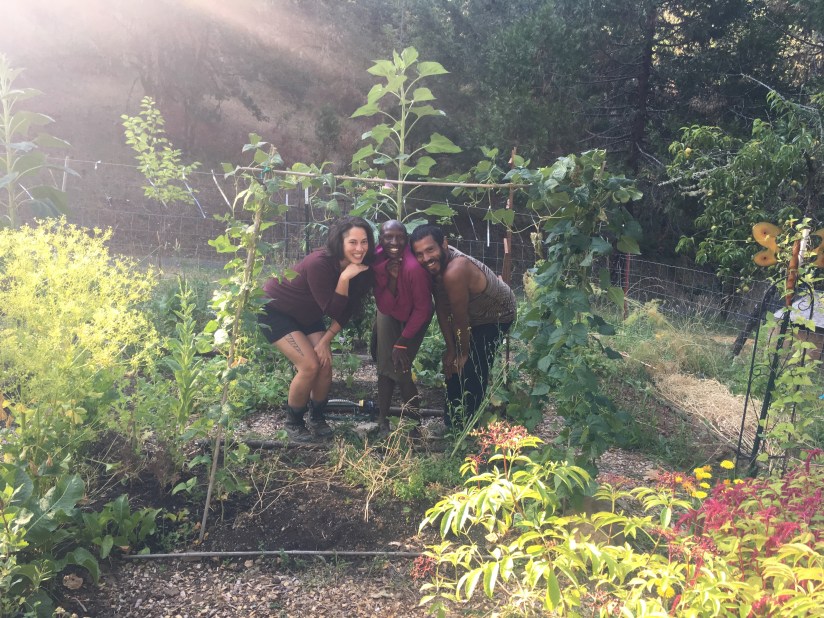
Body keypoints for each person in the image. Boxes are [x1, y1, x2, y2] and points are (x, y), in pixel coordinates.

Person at [259, 216, 375, 441]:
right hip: (276, 309)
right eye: (352, 242)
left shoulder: (362, 267)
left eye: (364, 241)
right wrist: (344, 278)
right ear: (339, 242)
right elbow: (333, 309)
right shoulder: (319, 263)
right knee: (309, 365)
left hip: (308, 313)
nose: (359, 248)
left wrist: (324, 342)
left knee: (324, 362)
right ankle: (293, 422)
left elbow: (347, 310)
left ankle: (317, 417)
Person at [409, 225, 516, 431]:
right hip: (472, 315)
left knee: (473, 365)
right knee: (450, 363)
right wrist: (451, 350)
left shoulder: (455, 270)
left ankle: (470, 426)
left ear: (444, 244)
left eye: (430, 250)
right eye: (419, 254)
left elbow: (460, 318)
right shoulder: (433, 270)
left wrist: (463, 353)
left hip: (497, 315)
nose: (425, 258)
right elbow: (442, 308)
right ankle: (453, 421)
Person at [372, 220, 433, 435]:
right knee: (384, 367)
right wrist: (391, 280)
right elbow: (384, 305)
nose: (394, 242)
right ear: (380, 239)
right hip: (390, 310)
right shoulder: (377, 259)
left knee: (400, 366)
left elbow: (423, 310)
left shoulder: (413, 269)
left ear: (406, 239)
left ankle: (414, 424)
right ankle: (383, 421)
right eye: (388, 237)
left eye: (399, 237)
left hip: (415, 316)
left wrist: (402, 342)